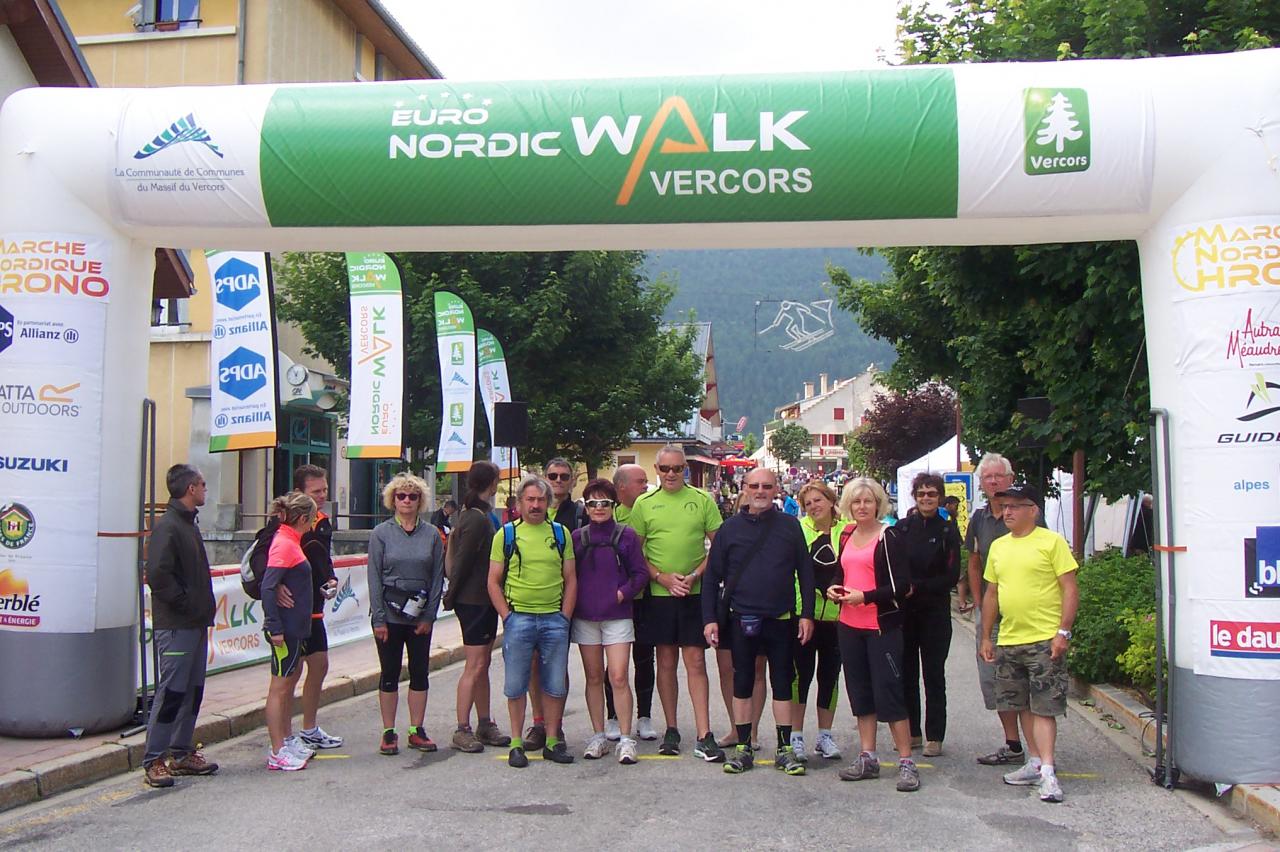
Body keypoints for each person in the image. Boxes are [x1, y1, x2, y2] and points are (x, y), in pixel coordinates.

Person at [703, 468, 814, 776]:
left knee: (781, 682)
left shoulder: (790, 526)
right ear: (745, 489)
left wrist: (806, 614)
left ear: (776, 488)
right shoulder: (730, 529)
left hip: (780, 618)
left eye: (767, 486)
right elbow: (712, 578)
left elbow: (805, 573)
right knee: (742, 682)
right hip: (741, 619)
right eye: (755, 486)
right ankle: (743, 748)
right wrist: (710, 619)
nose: (761, 491)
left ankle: (784, 748)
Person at [980, 484, 1079, 803]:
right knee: (1019, 703)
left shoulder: (1052, 542)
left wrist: (1063, 631)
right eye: (1004, 506)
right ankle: (1034, 761)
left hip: (1043, 639)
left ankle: (1048, 771)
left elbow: (1069, 588)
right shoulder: (998, 546)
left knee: (1045, 706)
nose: (1006, 512)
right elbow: (992, 593)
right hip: (1010, 638)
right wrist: (986, 635)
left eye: (1014, 506)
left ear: (1032, 510)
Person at [630, 445, 725, 762]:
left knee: (696, 661)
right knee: (666, 661)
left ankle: (704, 733)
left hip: (695, 594)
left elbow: (719, 547)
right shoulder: (644, 504)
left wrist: (696, 575)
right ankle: (671, 728)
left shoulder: (702, 501)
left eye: (677, 469)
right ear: (656, 470)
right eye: (665, 469)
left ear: (685, 469)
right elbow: (635, 554)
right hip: (659, 596)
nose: (671, 474)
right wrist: (661, 578)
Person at [828, 477, 919, 792]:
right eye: (856, 501)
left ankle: (906, 761)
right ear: (848, 505)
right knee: (860, 693)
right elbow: (842, 572)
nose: (862, 507)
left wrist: (863, 597)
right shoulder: (847, 535)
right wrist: (834, 588)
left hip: (881, 626)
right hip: (849, 626)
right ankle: (868, 756)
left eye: (867, 501)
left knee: (890, 691)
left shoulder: (888, 536)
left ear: (878, 504)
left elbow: (900, 587)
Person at [488, 475, 577, 768]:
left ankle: (552, 741)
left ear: (548, 502)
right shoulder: (506, 534)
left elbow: (571, 578)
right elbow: (493, 581)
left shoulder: (561, 533)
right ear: (519, 503)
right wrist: (507, 616)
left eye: (541, 499)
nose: (536, 505)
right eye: (530, 499)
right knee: (515, 685)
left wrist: (564, 616)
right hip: (520, 619)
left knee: (554, 684)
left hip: (554, 619)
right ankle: (516, 743)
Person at [140, 464, 218, 788]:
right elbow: (157, 575)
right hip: (177, 624)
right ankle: (154, 759)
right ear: (190, 489)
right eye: (201, 484)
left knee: (192, 691)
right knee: (172, 692)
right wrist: (186, 602)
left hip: (195, 622)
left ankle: (182, 752)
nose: (204, 489)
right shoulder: (168, 526)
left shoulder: (188, 523)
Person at [367, 473, 446, 756]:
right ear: (393, 500)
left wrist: (429, 616)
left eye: (413, 496)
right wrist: (378, 618)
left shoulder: (431, 535)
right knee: (389, 673)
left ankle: (417, 728)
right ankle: (388, 731)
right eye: (401, 496)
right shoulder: (381, 534)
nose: (407, 501)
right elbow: (374, 577)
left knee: (419, 672)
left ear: (420, 500)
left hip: (419, 614)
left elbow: (437, 576)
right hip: (389, 613)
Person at [967, 452, 1037, 766]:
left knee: (1028, 681)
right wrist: (979, 601)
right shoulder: (980, 519)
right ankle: (1012, 744)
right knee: (996, 679)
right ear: (981, 483)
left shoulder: (1028, 514)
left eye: (999, 476)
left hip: (1027, 614)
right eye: (987, 477)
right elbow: (973, 559)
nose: (993, 482)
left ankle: (1038, 751)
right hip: (992, 613)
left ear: (1009, 479)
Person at [572, 479, 650, 764]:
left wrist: (622, 594)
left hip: (617, 616)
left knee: (618, 676)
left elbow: (640, 574)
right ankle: (598, 735)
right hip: (586, 617)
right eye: (593, 503)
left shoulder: (626, 536)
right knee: (593, 677)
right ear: (586, 507)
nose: (599, 508)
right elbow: (568, 575)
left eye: (605, 502)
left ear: (614, 506)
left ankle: (626, 738)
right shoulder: (577, 537)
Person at [271, 465, 344, 752]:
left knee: (320, 664)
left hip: (315, 607)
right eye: (317, 491)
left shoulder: (323, 521)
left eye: (325, 489)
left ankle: (310, 728)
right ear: (300, 493)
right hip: (293, 610)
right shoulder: (281, 523)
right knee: (290, 673)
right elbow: (266, 558)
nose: (323, 495)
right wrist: (276, 586)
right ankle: (285, 737)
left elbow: (323, 557)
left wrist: (331, 577)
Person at [444, 461, 512, 753]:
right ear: (492, 482)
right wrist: (452, 595)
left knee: (483, 663)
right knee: (474, 664)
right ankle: (463, 727)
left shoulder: (478, 514)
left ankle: (484, 722)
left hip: (482, 600)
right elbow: (462, 561)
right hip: (472, 600)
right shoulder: (476, 518)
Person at [523, 456, 586, 751]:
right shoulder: (531, 513)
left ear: (573, 481)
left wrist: (567, 610)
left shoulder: (580, 515)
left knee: (556, 666)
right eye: (553, 475)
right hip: (532, 602)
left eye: (564, 476)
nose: (558, 481)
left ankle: (555, 725)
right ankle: (538, 722)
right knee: (533, 664)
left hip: (565, 603)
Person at [897, 473, 962, 757]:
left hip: (935, 612)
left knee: (934, 674)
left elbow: (951, 574)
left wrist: (918, 586)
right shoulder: (902, 528)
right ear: (915, 496)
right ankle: (912, 731)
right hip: (906, 612)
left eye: (932, 494)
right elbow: (894, 566)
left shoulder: (948, 531)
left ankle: (935, 735)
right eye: (922, 493)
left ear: (939, 497)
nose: (926, 498)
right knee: (907, 674)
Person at [790, 481, 849, 763]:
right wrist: (803, 613)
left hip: (838, 618)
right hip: (806, 617)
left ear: (830, 500)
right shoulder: (798, 531)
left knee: (829, 677)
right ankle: (796, 736)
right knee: (800, 677)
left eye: (818, 500)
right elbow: (794, 576)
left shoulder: (847, 530)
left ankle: (825, 735)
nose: (814, 506)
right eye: (808, 503)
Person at [260, 491, 318, 771]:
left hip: (295, 627)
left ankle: (285, 739)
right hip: (286, 628)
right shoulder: (284, 542)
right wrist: (275, 627)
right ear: (304, 518)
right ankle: (276, 750)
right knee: (280, 688)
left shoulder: (290, 540)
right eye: (312, 519)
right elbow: (269, 585)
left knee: (288, 683)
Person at [602, 463, 659, 742]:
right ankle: (613, 715)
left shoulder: (648, 508)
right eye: (640, 481)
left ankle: (644, 716)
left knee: (645, 658)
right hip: (614, 600)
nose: (646, 486)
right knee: (615, 664)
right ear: (621, 486)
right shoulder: (607, 514)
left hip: (643, 595)